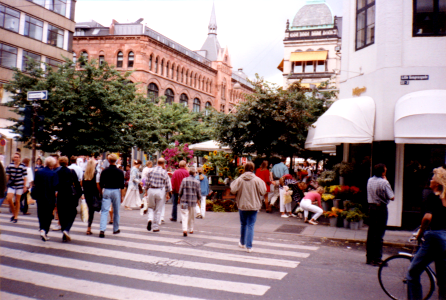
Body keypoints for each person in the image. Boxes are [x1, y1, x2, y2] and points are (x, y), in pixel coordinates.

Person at [407, 167, 446, 300]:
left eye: (433, 177)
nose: (430, 180)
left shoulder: (432, 195)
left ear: (437, 182)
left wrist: (420, 233)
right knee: (443, 279)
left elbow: (427, 218)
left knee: (413, 272)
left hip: (434, 237)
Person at [230, 162, 267, 253]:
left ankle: (242, 243)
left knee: (243, 224)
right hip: (254, 205)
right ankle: (249, 246)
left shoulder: (239, 179)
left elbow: (233, 190)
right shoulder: (257, 180)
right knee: (250, 225)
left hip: (242, 205)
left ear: (244, 168)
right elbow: (263, 191)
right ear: (253, 168)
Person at [366, 163, 395, 266]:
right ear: (383, 172)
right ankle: (377, 259)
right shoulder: (384, 183)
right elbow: (392, 197)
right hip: (381, 208)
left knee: (371, 233)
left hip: (371, 208)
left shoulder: (370, 180)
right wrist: (386, 181)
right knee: (379, 234)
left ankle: (369, 258)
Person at [32, 157, 59, 241]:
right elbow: (56, 186)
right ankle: (44, 230)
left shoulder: (38, 172)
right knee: (49, 214)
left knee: (41, 213)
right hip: (49, 196)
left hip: (40, 196)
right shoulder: (53, 174)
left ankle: (41, 228)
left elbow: (35, 183)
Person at [99, 154, 125, 238]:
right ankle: (115, 229)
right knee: (116, 210)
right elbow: (122, 185)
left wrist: (101, 192)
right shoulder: (120, 172)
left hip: (107, 190)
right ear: (116, 161)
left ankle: (102, 229)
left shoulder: (104, 171)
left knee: (104, 210)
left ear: (108, 161)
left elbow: (101, 183)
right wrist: (122, 196)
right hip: (116, 190)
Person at [56, 156, 81, 242]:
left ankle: (64, 231)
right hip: (70, 195)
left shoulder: (57, 172)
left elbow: (55, 184)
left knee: (62, 214)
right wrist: (80, 193)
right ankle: (67, 229)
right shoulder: (71, 171)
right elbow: (77, 183)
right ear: (67, 163)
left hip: (61, 194)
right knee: (72, 212)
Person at [145, 158, 172, 233]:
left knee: (150, 206)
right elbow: (167, 184)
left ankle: (150, 219)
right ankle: (155, 227)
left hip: (151, 189)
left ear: (157, 163)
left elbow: (147, 182)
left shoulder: (150, 170)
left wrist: (146, 191)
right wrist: (168, 193)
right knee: (158, 209)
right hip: (160, 191)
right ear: (163, 164)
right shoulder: (164, 172)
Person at [5, 152, 27, 223]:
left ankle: (16, 216)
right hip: (11, 185)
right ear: (13, 158)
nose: (16, 158)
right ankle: (14, 213)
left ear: (20, 158)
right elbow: (7, 176)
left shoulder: (23, 166)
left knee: (17, 201)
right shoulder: (10, 166)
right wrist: (5, 185)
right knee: (9, 199)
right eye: (15, 157)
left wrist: (24, 186)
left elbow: (25, 177)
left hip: (19, 185)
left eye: (17, 157)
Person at [178, 167, 201, 236]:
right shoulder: (197, 182)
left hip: (184, 200)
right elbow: (198, 193)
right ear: (194, 173)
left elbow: (180, 191)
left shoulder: (184, 180)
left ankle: (184, 229)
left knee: (184, 215)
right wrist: (198, 200)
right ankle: (191, 229)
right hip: (192, 201)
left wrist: (179, 198)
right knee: (191, 216)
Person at [83, 159, 101, 235]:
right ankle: (89, 227)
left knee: (90, 210)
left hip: (87, 194)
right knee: (92, 211)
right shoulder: (96, 174)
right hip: (94, 194)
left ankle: (88, 227)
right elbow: (97, 185)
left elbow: (82, 185)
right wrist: (100, 193)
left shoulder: (84, 174)